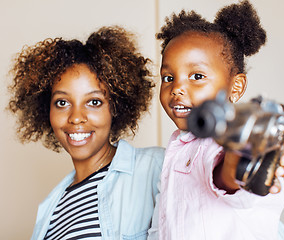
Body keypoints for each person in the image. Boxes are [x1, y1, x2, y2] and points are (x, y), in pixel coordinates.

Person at [148, 1, 284, 239]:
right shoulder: (177, 148)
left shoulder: (222, 141)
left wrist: (243, 161)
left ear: (235, 87)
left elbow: (224, 174)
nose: (176, 89)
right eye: (168, 77)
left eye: (196, 76)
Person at [7, 26, 165, 239]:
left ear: (115, 107)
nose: (76, 117)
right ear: (47, 110)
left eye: (94, 102)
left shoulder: (157, 167)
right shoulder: (50, 211)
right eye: (62, 102)